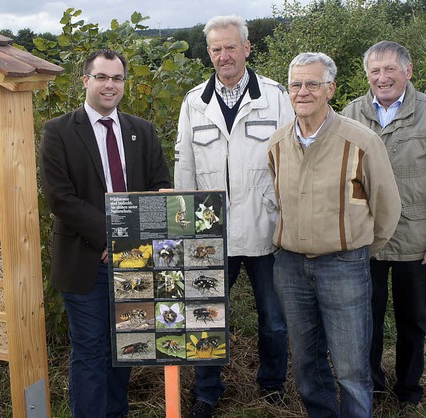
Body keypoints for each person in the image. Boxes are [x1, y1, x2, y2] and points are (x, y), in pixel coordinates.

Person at [267, 52, 401, 418]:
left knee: (351, 369)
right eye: (296, 84)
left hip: (344, 266)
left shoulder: (361, 141)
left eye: (313, 84)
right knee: (307, 366)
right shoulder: (277, 144)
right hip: (290, 267)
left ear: (331, 89)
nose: (303, 92)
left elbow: (387, 208)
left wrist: (355, 250)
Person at [39, 49, 171, 418]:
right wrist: (112, 238)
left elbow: (161, 186)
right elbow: (60, 199)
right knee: (91, 350)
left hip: (136, 263)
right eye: (102, 77)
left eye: (117, 78)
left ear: (124, 84)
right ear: (86, 80)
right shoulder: (59, 132)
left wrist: (129, 243)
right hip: (85, 263)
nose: (109, 85)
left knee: (126, 347)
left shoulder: (141, 131)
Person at [174, 15, 293, 418]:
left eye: (230, 47)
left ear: (246, 48)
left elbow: (292, 163)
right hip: (211, 233)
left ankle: (273, 386)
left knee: (274, 320)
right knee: (205, 315)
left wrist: (287, 220)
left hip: (266, 228)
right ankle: (207, 392)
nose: (224, 56)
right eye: (216, 49)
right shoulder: (194, 102)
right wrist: (185, 226)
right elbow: (184, 167)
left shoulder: (275, 96)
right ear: (208, 53)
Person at [341, 41, 426, 417]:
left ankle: (409, 389)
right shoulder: (351, 113)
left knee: (414, 320)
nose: (382, 77)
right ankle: (372, 385)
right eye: (375, 71)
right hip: (367, 237)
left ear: (408, 71)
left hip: (415, 237)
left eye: (390, 69)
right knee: (366, 319)